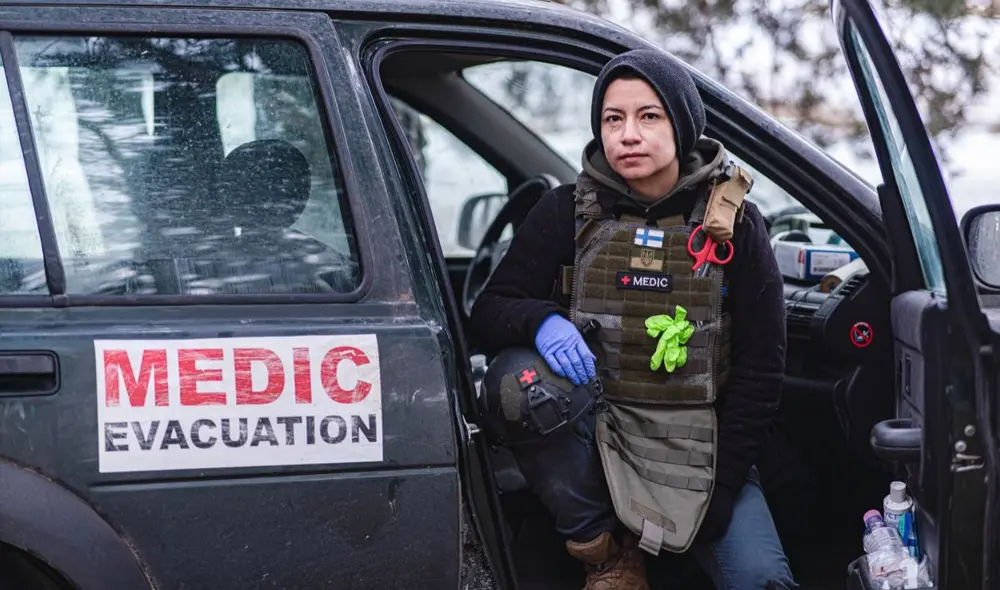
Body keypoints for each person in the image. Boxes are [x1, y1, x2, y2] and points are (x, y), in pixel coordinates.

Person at [469, 48, 797, 590]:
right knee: (515, 381)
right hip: (596, 438)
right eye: (612, 119)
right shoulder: (564, 211)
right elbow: (490, 310)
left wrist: (720, 493)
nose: (628, 135)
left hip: (699, 447)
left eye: (649, 116)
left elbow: (763, 369)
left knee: (762, 579)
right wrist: (541, 320)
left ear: (682, 124)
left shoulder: (735, 224)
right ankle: (605, 556)